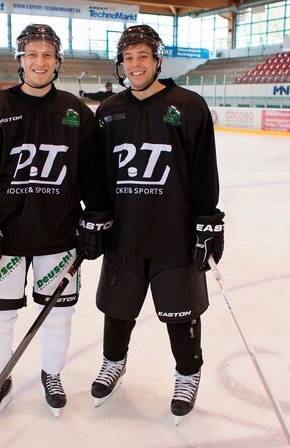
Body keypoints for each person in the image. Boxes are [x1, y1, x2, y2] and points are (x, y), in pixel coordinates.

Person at [0, 24, 111, 428]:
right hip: (4, 238)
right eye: (32, 54)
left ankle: (52, 374)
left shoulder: (77, 113)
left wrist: (96, 215)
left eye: (47, 54)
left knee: (58, 314)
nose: (39, 62)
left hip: (59, 234)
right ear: (20, 61)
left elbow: (91, 174)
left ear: (57, 61)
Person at [90, 24, 224, 424]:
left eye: (143, 56)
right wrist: (96, 216)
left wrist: (208, 220)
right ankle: (113, 363)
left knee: (181, 313)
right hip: (125, 233)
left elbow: (204, 170)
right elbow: (99, 174)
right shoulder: (109, 111)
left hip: (174, 234)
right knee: (117, 310)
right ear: (120, 64)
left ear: (157, 59)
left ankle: (188, 373)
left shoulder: (189, 105)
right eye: (128, 58)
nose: (135, 64)